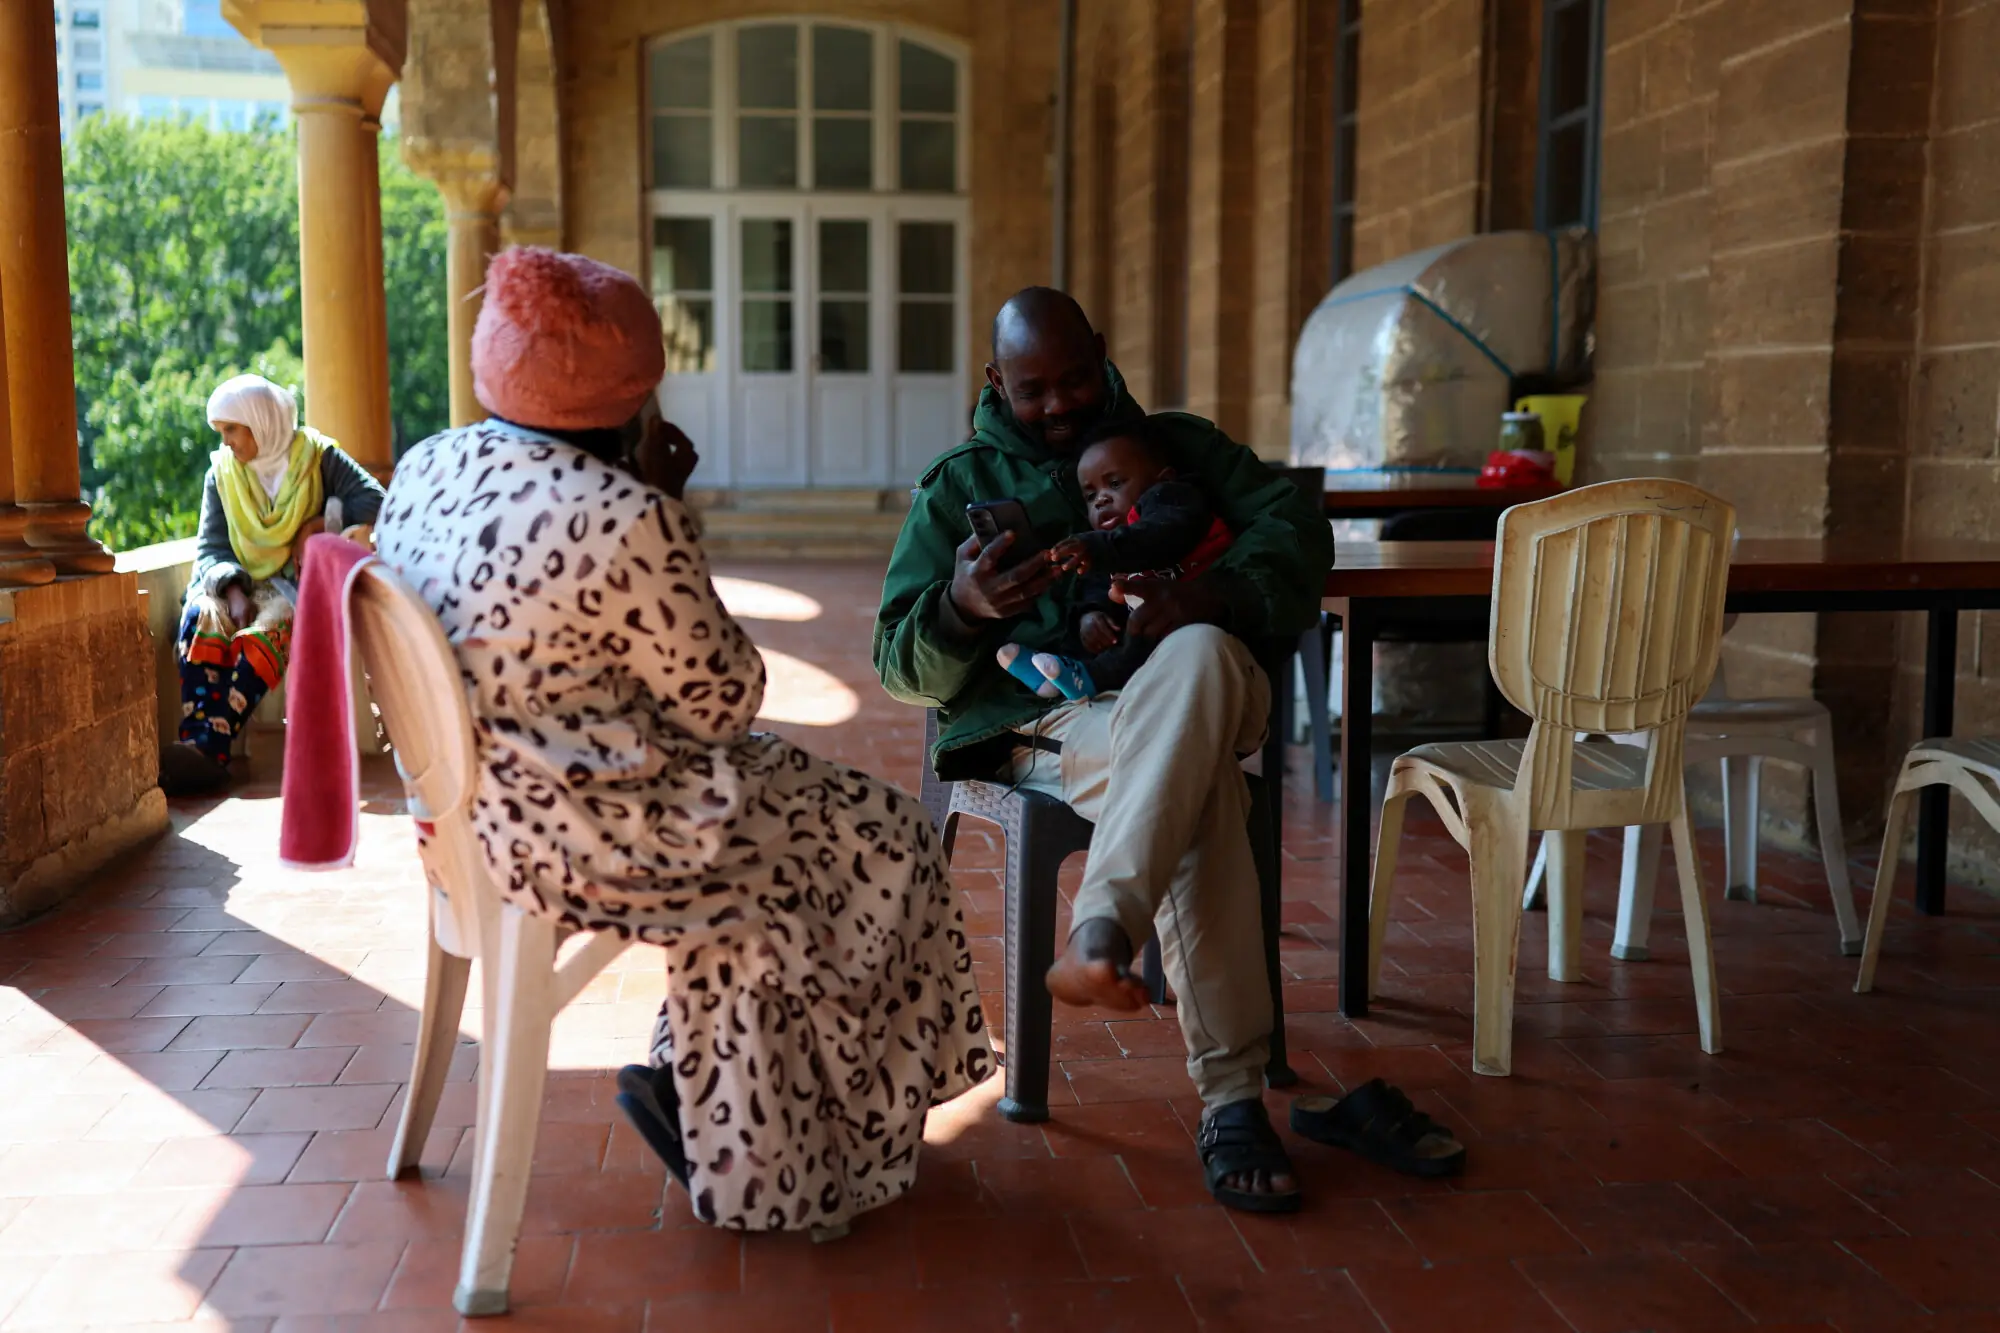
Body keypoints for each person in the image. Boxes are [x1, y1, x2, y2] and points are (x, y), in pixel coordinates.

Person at [373, 246, 990, 1235]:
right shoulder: (623, 516)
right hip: (598, 835)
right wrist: (663, 506)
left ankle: (715, 1090)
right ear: (629, 398)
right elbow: (726, 698)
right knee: (884, 836)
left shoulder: (428, 468)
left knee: (818, 817)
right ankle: (768, 1147)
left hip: (481, 819)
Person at [876, 286, 1464, 1214]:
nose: (1060, 404)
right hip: (1051, 723)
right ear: (996, 382)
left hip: (1198, 686)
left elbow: (1296, 528)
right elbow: (896, 664)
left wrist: (1216, 594)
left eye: (1076, 378)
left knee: (1199, 652)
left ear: (1103, 351)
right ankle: (1229, 1097)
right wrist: (959, 609)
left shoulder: (1178, 448)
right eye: (1034, 389)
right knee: (1201, 788)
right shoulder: (958, 485)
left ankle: (1103, 932)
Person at [160, 374, 385, 797]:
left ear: (260, 422)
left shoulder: (316, 457)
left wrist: (317, 523)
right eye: (221, 432)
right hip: (237, 583)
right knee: (201, 616)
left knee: (271, 629)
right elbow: (210, 548)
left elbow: (374, 499)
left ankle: (208, 749)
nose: (226, 442)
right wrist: (233, 591)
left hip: (294, 587)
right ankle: (202, 744)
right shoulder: (221, 474)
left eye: (232, 430)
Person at [996, 415, 1236, 701]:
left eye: (1115, 483)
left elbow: (1159, 537)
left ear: (1163, 478)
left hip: (1204, 630)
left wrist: (1099, 548)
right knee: (1107, 631)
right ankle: (1055, 678)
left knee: (1137, 640)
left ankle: (1082, 677)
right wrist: (1090, 616)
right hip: (1154, 641)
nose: (1101, 499)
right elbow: (1098, 585)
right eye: (1090, 496)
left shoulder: (1174, 500)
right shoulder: (1111, 547)